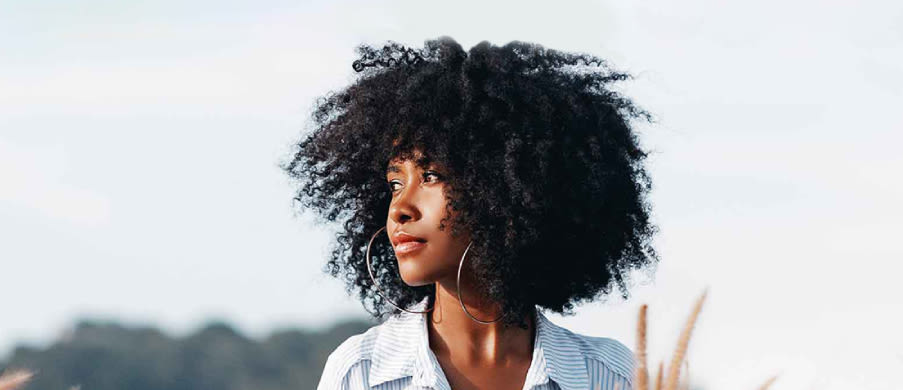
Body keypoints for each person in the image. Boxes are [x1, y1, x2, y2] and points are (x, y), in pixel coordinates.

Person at [282, 36, 658, 390]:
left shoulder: (609, 375)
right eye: (395, 183)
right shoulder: (360, 373)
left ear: (508, 188)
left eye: (429, 176)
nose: (399, 208)